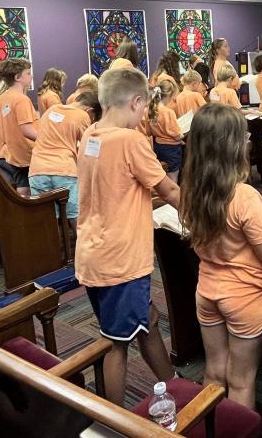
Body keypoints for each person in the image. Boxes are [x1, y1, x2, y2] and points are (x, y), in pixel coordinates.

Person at [181, 103, 262, 409]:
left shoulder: (192, 189)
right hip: (245, 297)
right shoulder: (244, 196)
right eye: (244, 135)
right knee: (241, 380)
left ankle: (209, 427)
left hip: (207, 291)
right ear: (232, 146)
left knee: (214, 371)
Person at [75, 67, 181, 406]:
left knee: (145, 321)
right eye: (144, 109)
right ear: (136, 101)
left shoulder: (91, 134)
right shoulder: (130, 140)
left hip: (94, 252)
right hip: (122, 259)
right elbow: (168, 189)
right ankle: (113, 419)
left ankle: (173, 384)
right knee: (115, 342)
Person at [28, 91, 100, 231]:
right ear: (90, 111)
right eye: (93, 118)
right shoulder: (82, 115)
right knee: (74, 215)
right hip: (64, 170)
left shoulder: (51, 110)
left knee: (47, 217)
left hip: (37, 170)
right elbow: (88, 146)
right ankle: (84, 250)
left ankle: (52, 250)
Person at [0, 58, 38, 195]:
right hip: (21, 153)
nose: (31, 76)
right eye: (28, 73)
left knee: (18, 184)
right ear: (17, 77)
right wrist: (48, 141)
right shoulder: (21, 99)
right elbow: (27, 131)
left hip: (6, 152)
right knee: (24, 187)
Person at [146, 80, 183, 182]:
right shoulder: (168, 112)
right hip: (171, 149)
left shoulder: (151, 110)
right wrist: (183, 134)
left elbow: (148, 132)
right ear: (169, 96)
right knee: (173, 178)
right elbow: (176, 135)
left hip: (158, 147)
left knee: (163, 176)